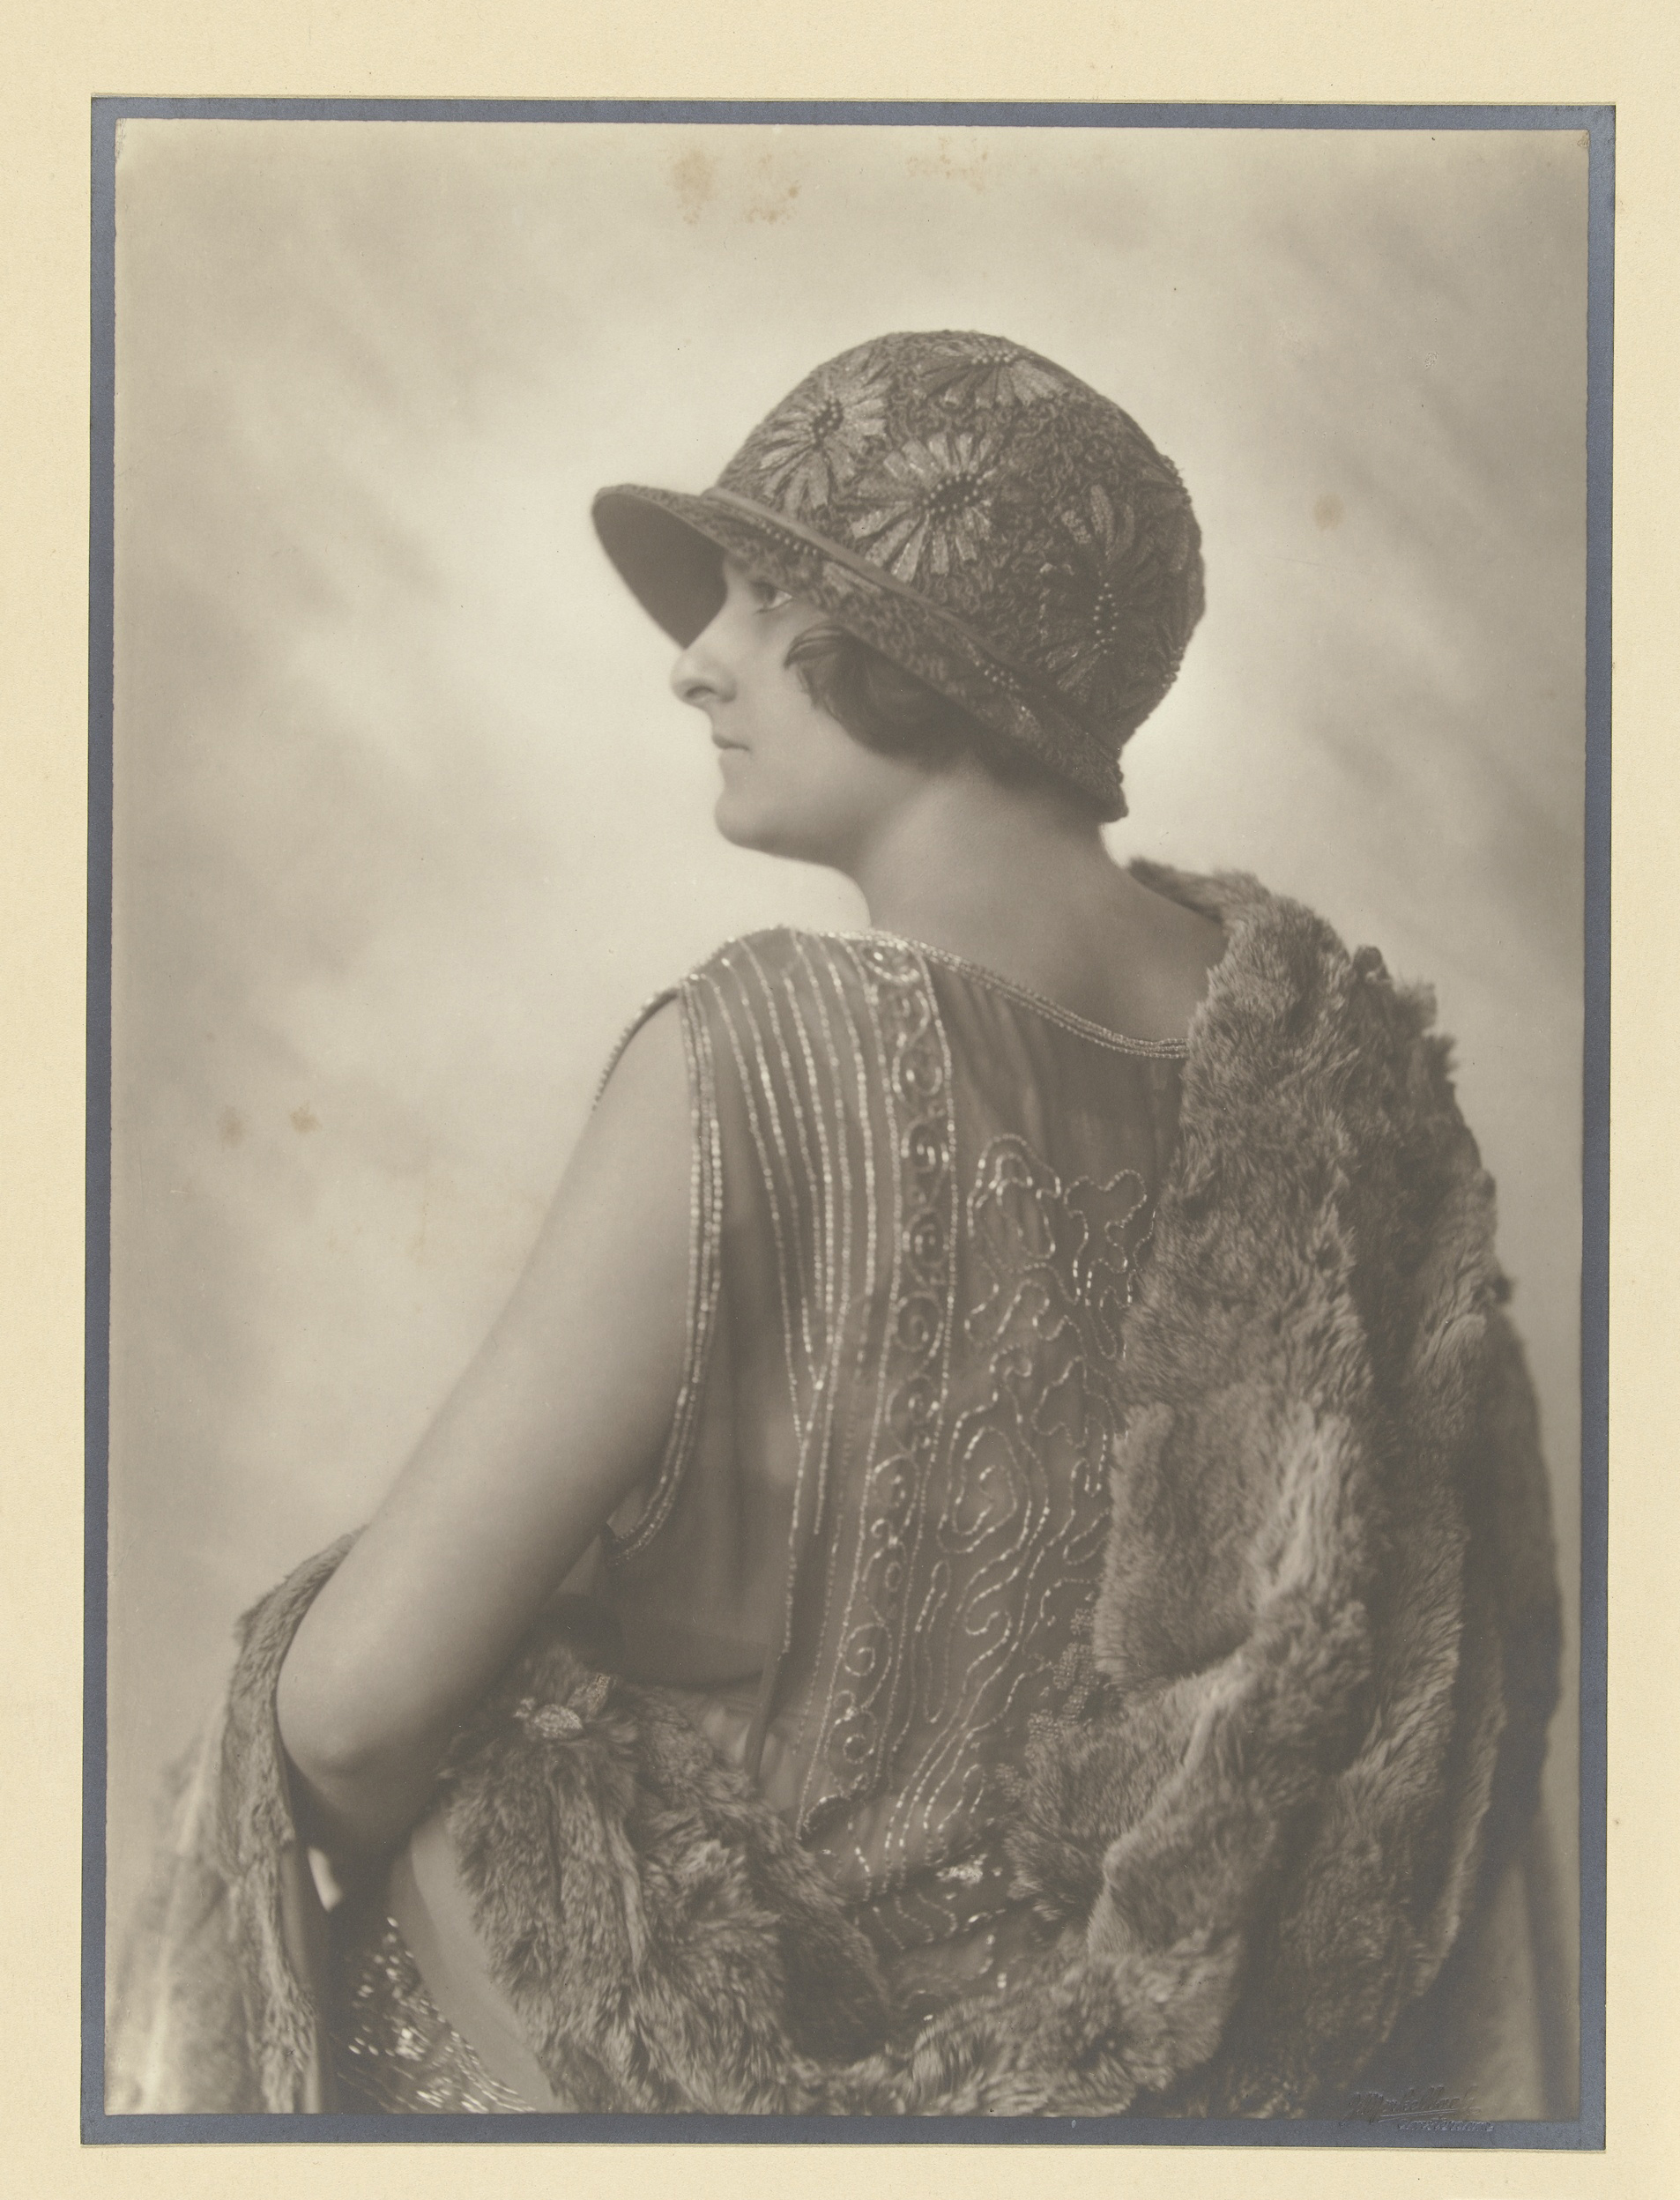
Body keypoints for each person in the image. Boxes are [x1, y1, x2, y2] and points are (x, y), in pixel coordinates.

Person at [108, 331, 1566, 2120]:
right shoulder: (1354, 1104)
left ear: (918, 649)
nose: (692, 661)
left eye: (759, 597)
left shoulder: (771, 1049)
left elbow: (349, 1716)